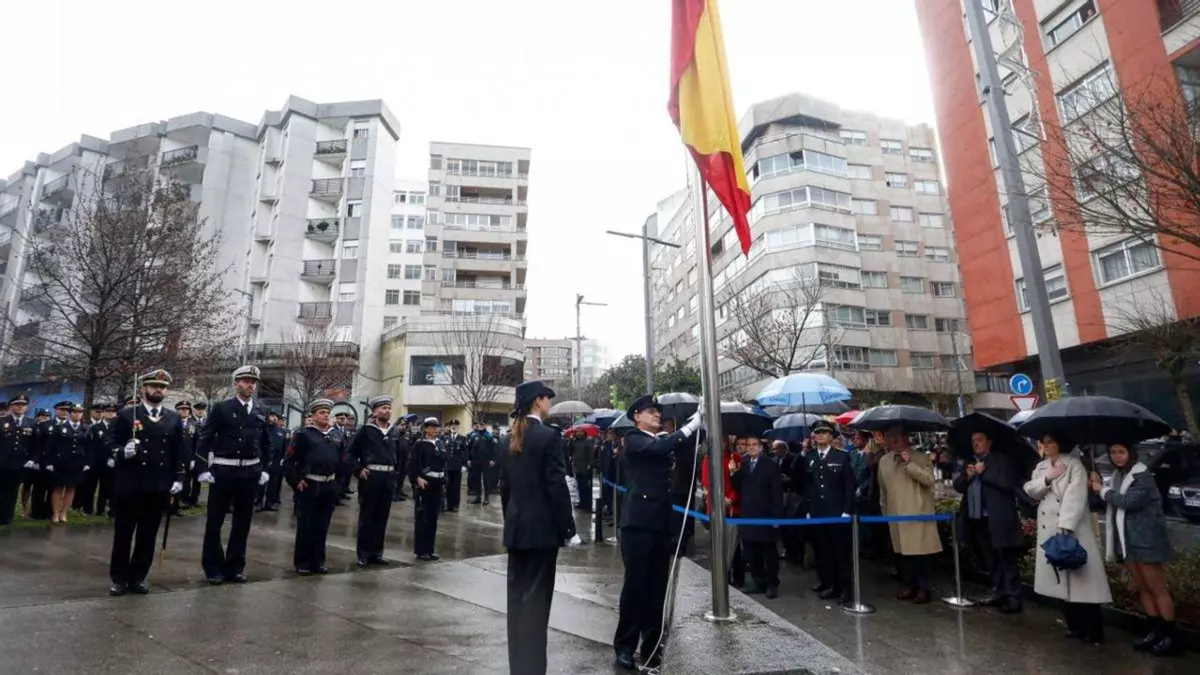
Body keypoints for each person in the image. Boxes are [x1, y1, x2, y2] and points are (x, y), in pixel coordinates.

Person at [612, 395, 701, 671]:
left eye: (658, 412)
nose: (656, 415)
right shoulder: (633, 439)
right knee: (635, 588)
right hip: (637, 525)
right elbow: (659, 447)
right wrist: (691, 426)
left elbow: (678, 451)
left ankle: (651, 646)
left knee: (656, 590)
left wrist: (698, 425)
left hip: (660, 524)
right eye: (650, 411)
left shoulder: (660, 441)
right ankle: (625, 646)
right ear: (636, 416)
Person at [500, 381, 575, 675]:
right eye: (548, 399)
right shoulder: (548, 436)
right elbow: (556, 486)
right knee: (536, 605)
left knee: (517, 603)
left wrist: (511, 520)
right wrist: (567, 527)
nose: (550, 404)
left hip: (517, 530)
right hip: (542, 532)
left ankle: (518, 668)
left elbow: (505, 489)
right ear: (538, 402)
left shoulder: (508, 438)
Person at [1023, 432, 1112, 645]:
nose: (1046, 446)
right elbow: (1030, 489)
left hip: (1073, 529)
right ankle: (1074, 625)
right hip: (1049, 529)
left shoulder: (1074, 465)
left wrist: (1065, 525)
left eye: (1050, 442)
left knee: (1084, 581)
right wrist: (1048, 478)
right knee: (1061, 579)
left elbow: (1076, 496)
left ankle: (1093, 629)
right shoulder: (1041, 466)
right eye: (1044, 443)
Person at [1092, 441, 1178, 655]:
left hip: (1147, 540)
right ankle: (1154, 630)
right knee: (1142, 586)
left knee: (1156, 588)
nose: (1117, 456)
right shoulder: (1118, 475)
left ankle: (1170, 635)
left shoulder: (1142, 476)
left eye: (1121, 452)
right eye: (1113, 452)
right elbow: (1110, 499)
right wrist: (1099, 484)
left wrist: (1102, 490)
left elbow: (1128, 502)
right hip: (1127, 540)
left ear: (1131, 453)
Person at [108, 369, 186, 595]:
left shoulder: (173, 418)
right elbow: (110, 444)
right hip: (130, 484)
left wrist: (179, 477)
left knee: (148, 535)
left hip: (157, 485)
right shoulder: (127, 415)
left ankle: (138, 576)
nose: (158, 390)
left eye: (162, 387)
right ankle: (119, 578)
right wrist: (122, 451)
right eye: (154, 386)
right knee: (123, 534)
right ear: (143, 389)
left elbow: (178, 452)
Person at [195, 365, 272, 584]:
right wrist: (202, 469)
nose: (250, 385)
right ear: (236, 383)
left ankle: (235, 566)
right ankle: (213, 567)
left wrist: (265, 468)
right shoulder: (222, 408)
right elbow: (205, 439)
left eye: (253, 382)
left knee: (242, 523)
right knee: (215, 521)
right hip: (224, 470)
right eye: (246, 381)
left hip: (249, 472)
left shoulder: (260, 409)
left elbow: (266, 442)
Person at [953, 429, 1024, 613]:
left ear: (989, 442)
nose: (976, 443)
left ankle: (1013, 597)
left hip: (999, 517)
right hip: (977, 518)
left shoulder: (1001, 459)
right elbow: (958, 486)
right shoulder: (970, 461)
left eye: (980, 440)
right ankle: (999, 591)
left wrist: (984, 473)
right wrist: (967, 476)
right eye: (973, 440)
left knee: (1006, 558)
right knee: (990, 559)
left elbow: (1008, 483)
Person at [877, 424, 942, 604]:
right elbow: (883, 490)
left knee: (920, 554)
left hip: (918, 514)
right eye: (889, 437)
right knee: (902, 555)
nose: (893, 440)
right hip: (895, 515)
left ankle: (924, 588)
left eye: (897, 436)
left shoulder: (921, 457)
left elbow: (929, 480)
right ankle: (908, 585)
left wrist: (910, 464)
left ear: (906, 438)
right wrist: (885, 513)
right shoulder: (884, 461)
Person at [286, 399, 342, 575]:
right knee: (306, 525)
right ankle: (302, 562)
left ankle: (318, 561)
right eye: (321, 413)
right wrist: (296, 480)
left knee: (322, 525)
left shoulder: (336, 435)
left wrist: (338, 483)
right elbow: (289, 460)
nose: (325, 415)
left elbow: (343, 460)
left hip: (329, 484)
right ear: (313, 415)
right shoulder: (303, 435)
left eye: (327, 413)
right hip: (310, 483)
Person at [806, 419, 856, 603]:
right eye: (817, 433)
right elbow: (807, 485)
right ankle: (830, 584)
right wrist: (808, 508)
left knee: (840, 552)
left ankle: (845, 588)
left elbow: (850, 486)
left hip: (837, 512)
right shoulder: (809, 457)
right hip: (818, 512)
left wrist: (847, 510)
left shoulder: (841, 457)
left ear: (831, 436)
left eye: (824, 432)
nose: (820, 436)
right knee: (823, 551)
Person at [350, 396, 400, 567]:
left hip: (388, 477)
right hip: (371, 476)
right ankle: (363, 554)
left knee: (382, 517)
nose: (387, 411)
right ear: (375, 411)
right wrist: (358, 469)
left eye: (389, 408)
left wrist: (396, 474)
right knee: (367, 516)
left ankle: (376, 553)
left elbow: (399, 455)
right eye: (384, 408)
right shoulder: (366, 430)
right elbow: (350, 453)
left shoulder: (394, 431)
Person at [734, 433, 784, 598]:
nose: (751, 448)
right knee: (751, 553)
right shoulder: (743, 465)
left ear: (761, 447)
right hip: (748, 515)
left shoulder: (771, 465)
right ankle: (759, 582)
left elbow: (777, 493)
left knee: (769, 553)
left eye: (754, 445)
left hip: (766, 515)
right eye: (749, 445)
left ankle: (772, 584)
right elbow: (738, 487)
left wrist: (777, 518)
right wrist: (734, 472)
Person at [701, 436, 743, 588]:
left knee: (734, 545)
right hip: (715, 505)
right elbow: (706, 482)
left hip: (732, 506)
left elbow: (739, 482)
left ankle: (738, 577)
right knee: (717, 544)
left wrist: (731, 497)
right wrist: (719, 498)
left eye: (723, 440)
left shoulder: (735, 457)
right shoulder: (708, 459)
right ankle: (721, 577)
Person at [44, 403, 90, 523]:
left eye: (80, 412)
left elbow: (89, 447)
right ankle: (55, 513)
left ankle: (64, 513)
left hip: (77, 462)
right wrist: (49, 462)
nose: (77, 414)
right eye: (75, 412)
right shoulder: (60, 427)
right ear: (70, 414)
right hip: (61, 462)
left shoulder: (85, 428)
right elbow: (51, 446)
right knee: (57, 488)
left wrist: (88, 462)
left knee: (71, 488)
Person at [410, 417, 447, 560]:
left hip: (438, 483)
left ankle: (430, 549)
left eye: (437, 427)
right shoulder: (420, 444)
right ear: (426, 429)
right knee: (422, 517)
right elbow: (412, 464)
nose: (435, 429)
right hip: (425, 484)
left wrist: (445, 479)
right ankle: (421, 550)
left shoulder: (440, 443)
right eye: (432, 427)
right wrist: (416, 478)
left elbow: (444, 462)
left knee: (433, 518)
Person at [0, 394, 37, 525]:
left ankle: (7, 516)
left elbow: (35, 444)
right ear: (11, 407)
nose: (20, 407)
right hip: (2, 462)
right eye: (17, 404)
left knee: (13, 490)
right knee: (1, 489)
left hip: (20, 463)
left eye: (23, 405)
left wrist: (32, 459)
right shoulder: (2, 421)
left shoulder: (31, 423)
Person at [259, 411, 286, 512]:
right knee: (261, 483)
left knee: (273, 484)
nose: (274, 418)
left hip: (276, 461)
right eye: (272, 416)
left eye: (275, 416)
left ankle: (270, 503)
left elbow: (284, 446)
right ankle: (258, 502)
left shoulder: (281, 431)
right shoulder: (262, 429)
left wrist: (283, 458)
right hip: (263, 460)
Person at [181, 401, 207, 507]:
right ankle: (184, 499)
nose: (200, 411)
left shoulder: (206, 421)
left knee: (197, 478)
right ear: (194, 410)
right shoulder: (189, 421)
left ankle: (194, 499)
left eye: (202, 409)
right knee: (186, 478)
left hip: (200, 454)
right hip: (189, 453)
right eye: (198, 409)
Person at [443, 420, 467, 512]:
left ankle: (455, 505)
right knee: (448, 486)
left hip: (457, 466)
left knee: (456, 487)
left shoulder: (462, 438)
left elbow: (465, 452)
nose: (453, 427)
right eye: (452, 425)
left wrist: (464, 464)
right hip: (448, 466)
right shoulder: (445, 438)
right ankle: (449, 505)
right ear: (449, 427)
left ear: (458, 427)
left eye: (455, 425)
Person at [466, 420, 486, 503]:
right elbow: (469, 448)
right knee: (476, 479)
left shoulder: (488, 435)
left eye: (482, 425)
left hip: (485, 461)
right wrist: (469, 459)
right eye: (479, 425)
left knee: (486, 479)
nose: (480, 426)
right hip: (475, 461)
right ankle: (478, 496)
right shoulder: (473, 436)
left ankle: (487, 498)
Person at [484, 423, 502, 505]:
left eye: (498, 430)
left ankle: (494, 488)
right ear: (493, 429)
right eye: (496, 430)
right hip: (492, 461)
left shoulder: (499, 438)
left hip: (498, 461)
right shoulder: (490, 438)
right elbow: (487, 450)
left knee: (497, 476)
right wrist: (490, 459)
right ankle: (491, 489)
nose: (498, 431)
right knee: (491, 476)